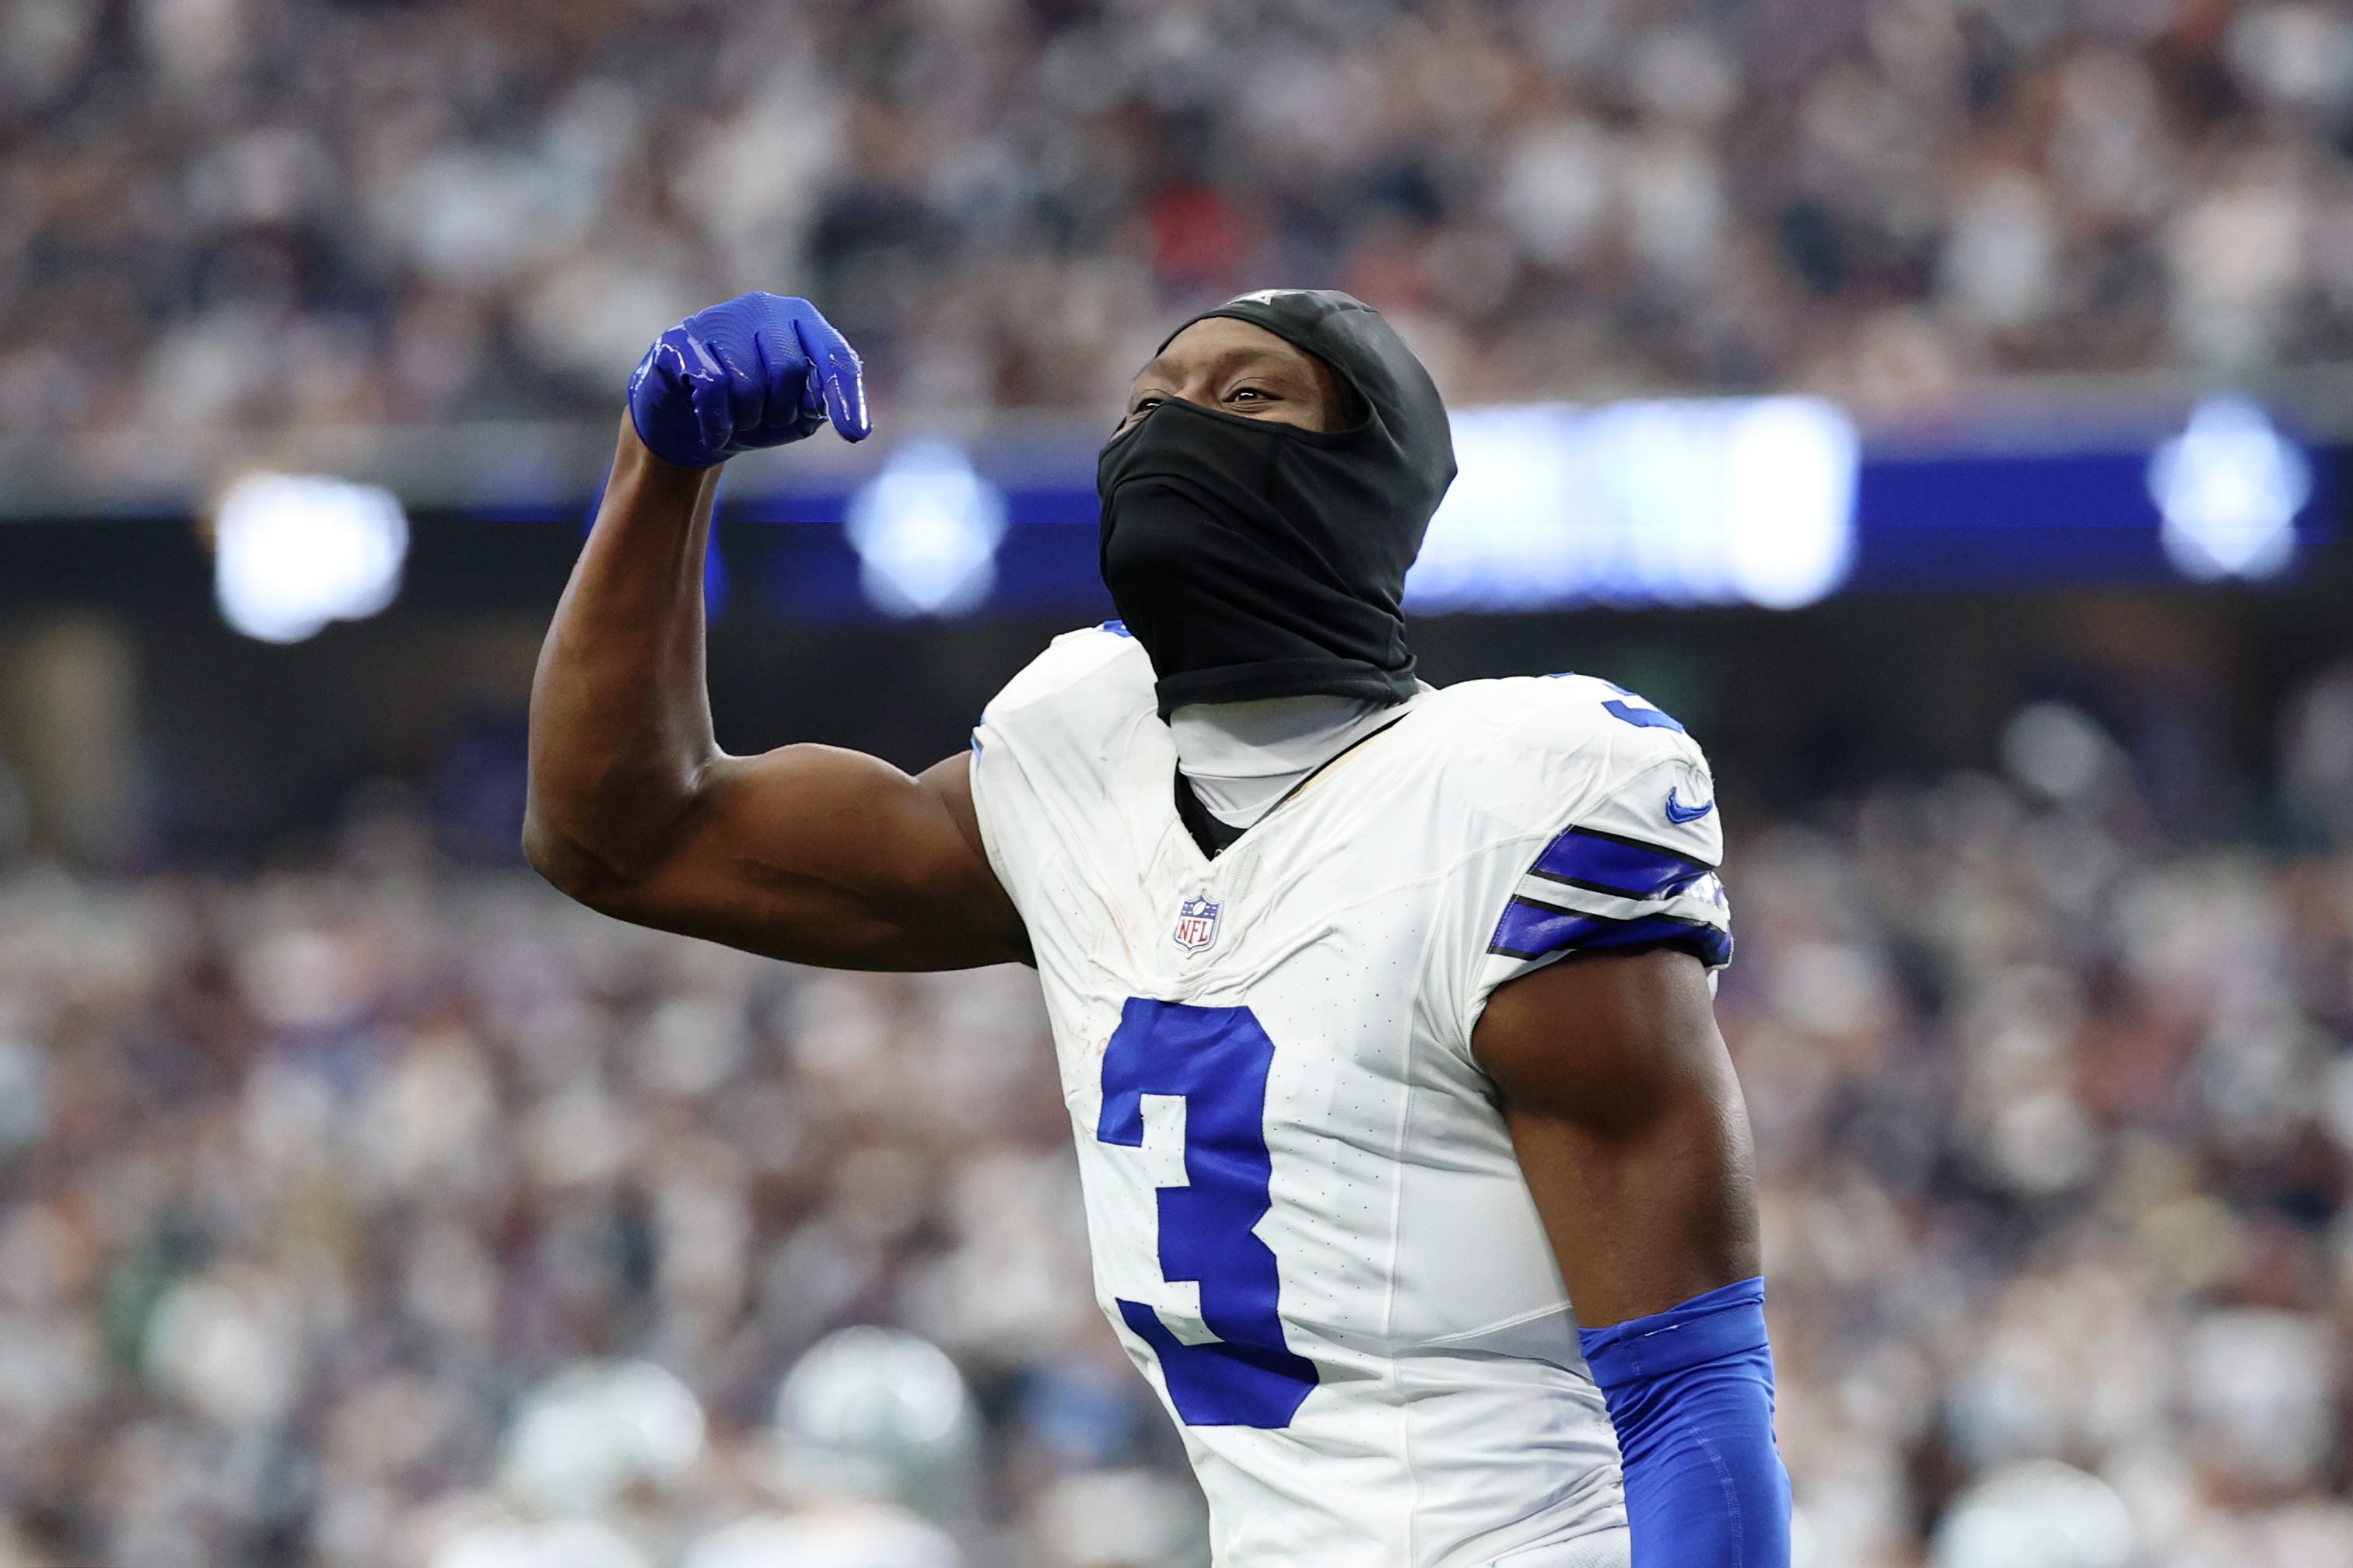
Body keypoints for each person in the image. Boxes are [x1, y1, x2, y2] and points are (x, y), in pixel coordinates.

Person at [526, 289, 1791, 1567]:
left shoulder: (1513, 799)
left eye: (1246, 397)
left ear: (1370, 472)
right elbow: (624, 836)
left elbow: (1689, 1384)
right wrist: (663, 467)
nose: (1171, 428)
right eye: (1146, 401)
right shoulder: (1078, 764)